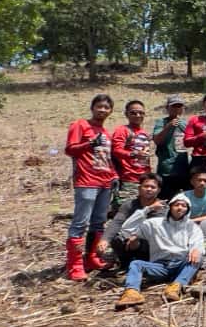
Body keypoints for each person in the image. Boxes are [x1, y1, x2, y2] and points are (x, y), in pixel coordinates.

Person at [114, 193, 203, 309]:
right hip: (160, 266)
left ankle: (176, 287)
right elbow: (127, 228)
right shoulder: (154, 224)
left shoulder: (192, 226)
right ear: (170, 207)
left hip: (180, 264)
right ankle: (132, 292)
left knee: (197, 258)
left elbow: (197, 242)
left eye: (183, 206)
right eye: (176, 205)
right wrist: (148, 209)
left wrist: (196, 250)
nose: (180, 208)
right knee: (136, 264)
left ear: (188, 209)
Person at [64, 94, 118, 281]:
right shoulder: (80, 125)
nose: (102, 110)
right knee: (80, 223)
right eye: (99, 106)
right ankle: (74, 265)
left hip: (105, 182)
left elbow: (106, 158)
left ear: (110, 111)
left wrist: (114, 175)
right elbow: (69, 149)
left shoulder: (105, 132)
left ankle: (92, 258)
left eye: (106, 107)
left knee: (98, 222)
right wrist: (88, 144)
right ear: (92, 107)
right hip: (86, 181)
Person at [102, 172, 162, 271]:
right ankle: (124, 263)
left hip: (149, 243)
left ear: (158, 190)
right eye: (146, 186)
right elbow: (117, 222)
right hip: (128, 239)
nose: (149, 189)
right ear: (139, 188)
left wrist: (136, 237)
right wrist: (105, 239)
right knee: (116, 238)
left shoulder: (162, 208)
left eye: (153, 187)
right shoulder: (129, 205)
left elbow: (155, 230)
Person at [111, 100, 152, 205]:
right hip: (128, 179)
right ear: (126, 114)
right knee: (125, 209)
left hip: (144, 179)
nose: (138, 115)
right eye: (133, 113)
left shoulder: (144, 133)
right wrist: (133, 154)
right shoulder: (122, 130)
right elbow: (116, 150)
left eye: (141, 113)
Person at [153, 95, 190, 199]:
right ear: (167, 108)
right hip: (166, 169)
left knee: (182, 199)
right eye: (174, 106)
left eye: (179, 106)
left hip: (183, 168)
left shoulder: (186, 123)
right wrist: (168, 127)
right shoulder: (161, 122)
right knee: (165, 198)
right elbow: (157, 140)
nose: (176, 109)